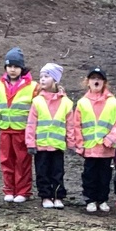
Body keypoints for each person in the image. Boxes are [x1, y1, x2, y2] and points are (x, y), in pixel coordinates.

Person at [68, 66, 116, 213]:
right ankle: (90, 199)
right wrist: (79, 145)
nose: (96, 81)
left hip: (106, 149)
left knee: (105, 176)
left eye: (99, 78)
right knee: (89, 175)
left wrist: (110, 139)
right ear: (87, 82)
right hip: (90, 148)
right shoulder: (82, 102)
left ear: (104, 82)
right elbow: (77, 125)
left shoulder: (113, 102)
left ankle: (103, 199)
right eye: (93, 78)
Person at [0, 47, 36, 203]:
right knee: (6, 160)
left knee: (23, 161)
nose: (12, 70)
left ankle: (23, 191)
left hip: (22, 130)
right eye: (9, 66)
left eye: (16, 66)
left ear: (22, 68)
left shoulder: (33, 86)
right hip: (4, 130)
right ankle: (8, 189)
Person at [25, 63, 70, 208]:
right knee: (42, 172)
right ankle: (45, 196)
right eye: (41, 77)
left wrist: (72, 142)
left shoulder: (66, 103)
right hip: (41, 145)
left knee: (57, 172)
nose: (42, 80)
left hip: (57, 146)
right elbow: (31, 124)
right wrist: (30, 143)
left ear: (55, 80)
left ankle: (57, 196)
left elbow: (70, 125)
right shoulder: (37, 101)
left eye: (46, 76)